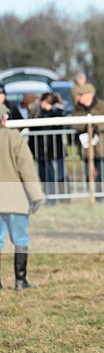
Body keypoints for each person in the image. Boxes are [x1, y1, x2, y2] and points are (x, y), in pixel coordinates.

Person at [0, 103, 44, 289]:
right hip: (15, 199)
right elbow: (26, 170)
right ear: (4, 118)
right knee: (20, 239)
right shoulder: (14, 138)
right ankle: (20, 280)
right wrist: (36, 196)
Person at [73, 83, 104, 198]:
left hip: (101, 147)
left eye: (82, 94)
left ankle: (103, 195)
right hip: (86, 148)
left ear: (90, 94)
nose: (79, 97)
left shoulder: (102, 106)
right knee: (88, 173)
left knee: (102, 173)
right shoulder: (77, 108)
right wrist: (86, 126)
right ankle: (91, 195)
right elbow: (74, 124)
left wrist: (97, 126)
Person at [32, 92, 67, 204]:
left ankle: (57, 199)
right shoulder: (40, 114)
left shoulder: (56, 114)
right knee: (45, 176)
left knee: (55, 176)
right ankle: (50, 198)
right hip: (43, 151)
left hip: (53, 151)